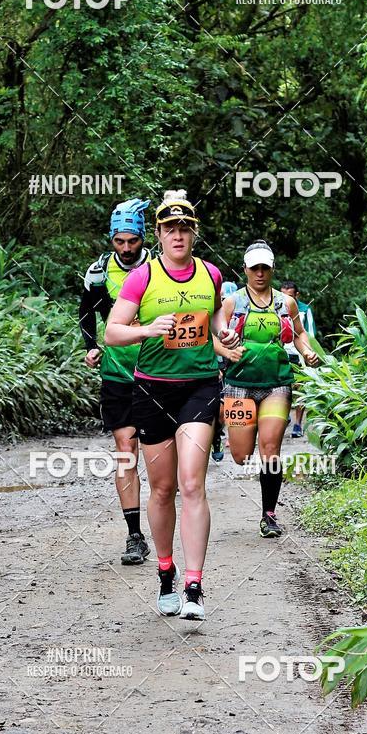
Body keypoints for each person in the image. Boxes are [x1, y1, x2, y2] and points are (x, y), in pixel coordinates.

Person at [104, 190, 240, 621]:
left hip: (199, 386)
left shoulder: (211, 275)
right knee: (162, 489)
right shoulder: (141, 278)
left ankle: (195, 586)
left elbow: (215, 320)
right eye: (170, 229)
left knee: (191, 483)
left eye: (185, 228)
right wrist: (147, 329)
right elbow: (112, 333)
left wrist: (226, 336)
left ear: (193, 234)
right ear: (159, 235)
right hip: (151, 390)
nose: (177, 235)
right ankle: (166, 572)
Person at [221, 242, 319, 538]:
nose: (260, 273)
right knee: (240, 455)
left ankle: (268, 514)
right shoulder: (232, 303)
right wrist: (225, 352)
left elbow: (300, 334)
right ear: (245, 270)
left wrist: (307, 353)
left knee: (270, 449)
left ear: (272, 269)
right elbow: (214, 336)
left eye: (265, 267)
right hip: (238, 385)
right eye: (255, 268)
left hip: (277, 383)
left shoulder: (285, 304)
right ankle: (230, 436)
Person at [79, 198, 152, 566]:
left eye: (132, 241)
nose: (125, 248)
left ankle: (168, 523)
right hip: (118, 372)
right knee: (126, 451)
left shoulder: (160, 268)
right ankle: (135, 535)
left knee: (158, 458)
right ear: (111, 238)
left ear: (143, 237)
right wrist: (91, 348)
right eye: (119, 241)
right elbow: (86, 314)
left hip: (159, 372)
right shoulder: (98, 272)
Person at [281, 280, 317, 438]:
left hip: (300, 355)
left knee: (300, 390)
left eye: (289, 295)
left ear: (297, 295)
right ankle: (284, 415)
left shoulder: (304, 310)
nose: (286, 299)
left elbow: (309, 333)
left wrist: (308, 352)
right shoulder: (276, 308)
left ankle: (297, 424)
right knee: (283, 389)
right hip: (282, 354)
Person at [211, 281, 240, 462]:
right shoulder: (212, 314)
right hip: (213, 366)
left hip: (232, 366)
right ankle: (213, 438)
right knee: (215, 409)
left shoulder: (239, 314)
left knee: (224, 411)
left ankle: (218, 437)